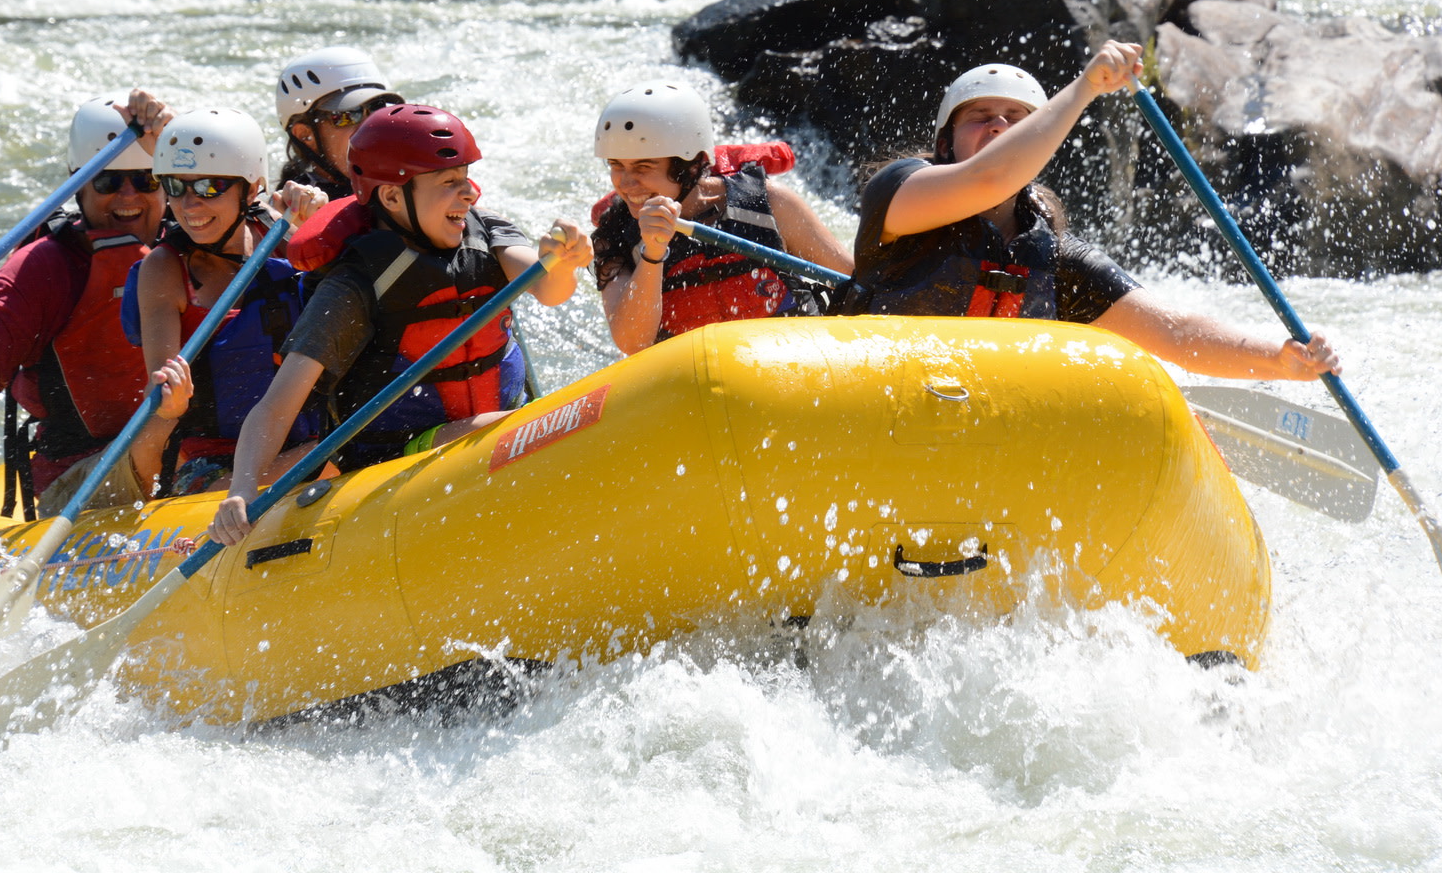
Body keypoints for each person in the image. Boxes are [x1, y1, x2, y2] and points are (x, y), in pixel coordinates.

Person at [831, 45, 1341, 381]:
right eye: (980, 118)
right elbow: (990, 177)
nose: (999, 127)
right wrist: (1084, 89)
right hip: (875, 395)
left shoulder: (1054, 260)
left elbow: (1175, 332)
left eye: (1016, 120)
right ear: (944, 144)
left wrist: (1278, 359)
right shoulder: (897, 193)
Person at [208, 104, 591, 546]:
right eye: (449, 183)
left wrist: (560, 262)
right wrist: (240, 491)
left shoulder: (485, 234)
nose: (468, 195)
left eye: (466, 178)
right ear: (392, 197)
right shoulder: (355, 287)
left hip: (490, 429)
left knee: (520, 421)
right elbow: (277, 405)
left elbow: (548, 288)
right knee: (519, 426)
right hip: (392, 459)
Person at [0, 91, 172, 518]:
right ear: (77, 183)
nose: (129, 197)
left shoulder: (196, 233)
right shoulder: (42, 268)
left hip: (189, 459)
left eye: (147, 180)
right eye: (107, 181)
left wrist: (173, 138)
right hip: (89, 475)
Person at [126, 108, 329, 498]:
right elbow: (159, 403)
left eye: (209, 187)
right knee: (335, 456)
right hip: (212, 465)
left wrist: (321, 223)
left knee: (346, 447)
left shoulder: (284, 230)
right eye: (175, 186)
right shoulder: (164, 270)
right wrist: (170, 405)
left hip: (307, 439)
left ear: (251, 189)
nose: (189, 206)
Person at [590, 81, 853, 354]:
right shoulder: (613, 237)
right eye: (616, 165)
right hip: (693, 382)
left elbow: (855, 283)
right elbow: (633, 343)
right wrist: (653, 253)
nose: (626, 183)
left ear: (689, 167)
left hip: (792, 362)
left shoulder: (771, 203)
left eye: (643, 167)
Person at [274, 45, 403, 199]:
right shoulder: (296, 210)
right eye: (348, 115)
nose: (369, 125)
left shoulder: (407, 181)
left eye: (376, 107)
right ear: (305, 135)